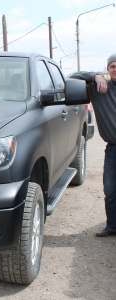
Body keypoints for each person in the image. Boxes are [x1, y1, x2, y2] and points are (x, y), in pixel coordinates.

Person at [70, 53, 116, 237]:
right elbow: (72, 77)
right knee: (111, 190)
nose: (115, 69)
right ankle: (112, 226)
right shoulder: (99, 88)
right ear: (108, 69)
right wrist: (94, 76)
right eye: (112, 66)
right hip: (113, 148)